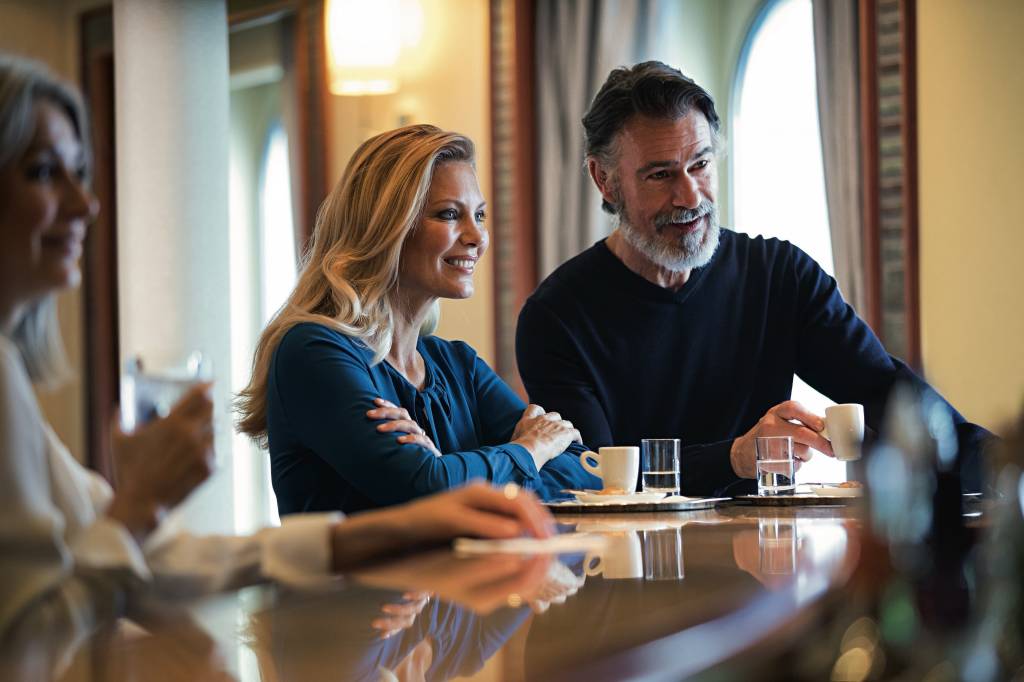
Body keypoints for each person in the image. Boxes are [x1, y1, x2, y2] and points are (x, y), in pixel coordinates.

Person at [0, 53, 556, 637]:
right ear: (389, 227)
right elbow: (30, 641)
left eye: (79, 173)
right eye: (43, 172)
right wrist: (138, 505)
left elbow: (162, 557)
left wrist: (405, 523)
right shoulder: (314, 350)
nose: (87, 204)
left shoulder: (11, 376)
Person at [515, 60, 993, 496]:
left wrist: (1003, 467)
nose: (690, 196)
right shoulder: (555, 317)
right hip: (629, 559)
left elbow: (888, 394)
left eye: (701, 164)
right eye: (660, 175)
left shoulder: (781, 276)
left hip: (768, 550)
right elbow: (594, 476)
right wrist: (735, 457)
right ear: (604, 180)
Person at [236, 124, 600, 515]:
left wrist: (447, 470)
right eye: (449, 214)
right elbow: (428, 488)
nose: (477, 236)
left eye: (479, 215)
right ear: (385, 227)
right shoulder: (313, 351)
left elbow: (587, 472)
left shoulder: (458, 364)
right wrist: (530, 449)